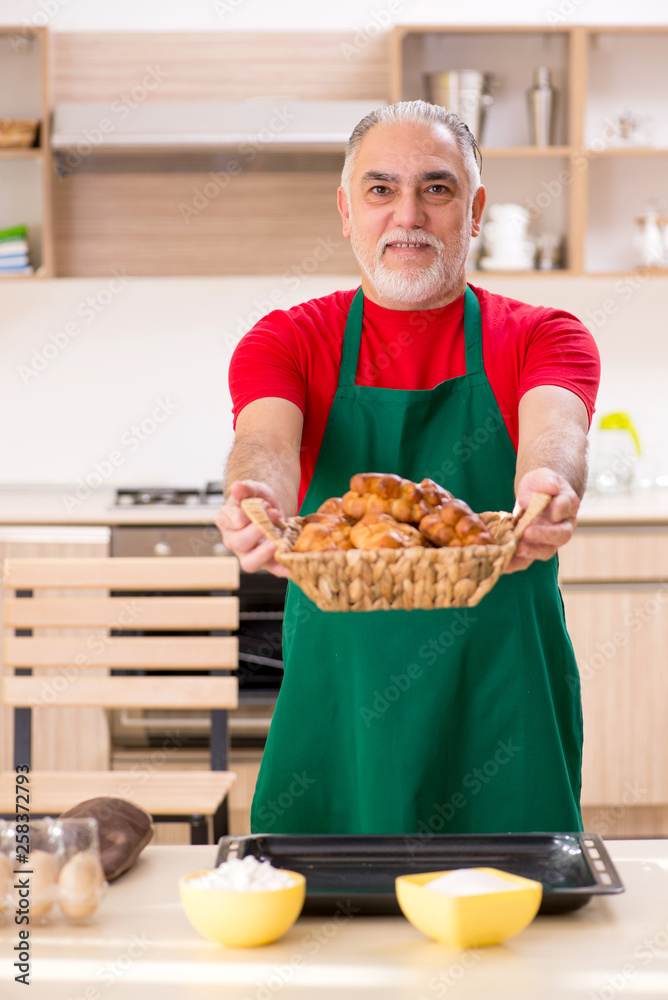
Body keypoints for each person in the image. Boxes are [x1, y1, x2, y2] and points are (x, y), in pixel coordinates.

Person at [217, 101, 600, 837]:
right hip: (342, 698)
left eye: (438, 188)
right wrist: (254, 495)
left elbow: (558, 430)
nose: (408, 216)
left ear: (476, 209)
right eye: (380, 189)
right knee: (325, 923)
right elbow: (262, 437)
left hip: (503, 698)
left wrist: (546, 486)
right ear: (346, 209)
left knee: (517, 928)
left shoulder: (545, 335)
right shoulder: (290, 340)